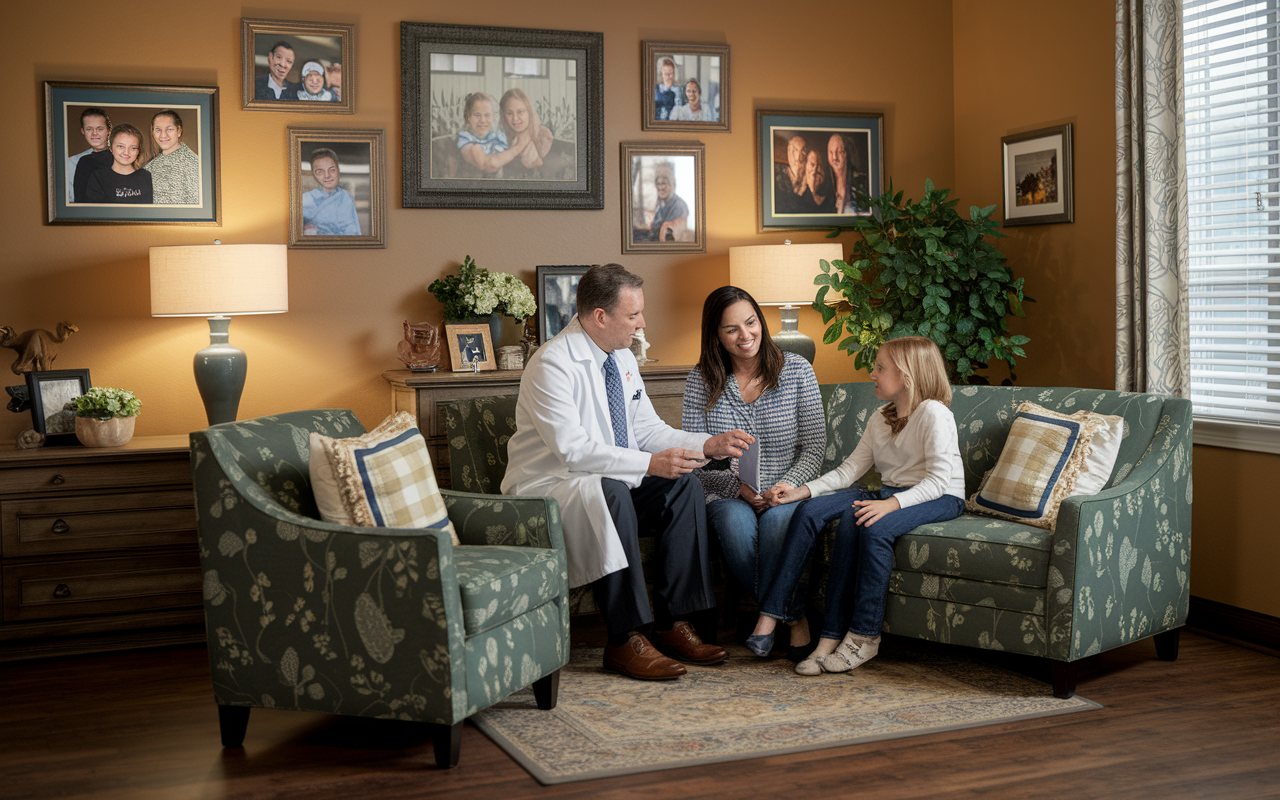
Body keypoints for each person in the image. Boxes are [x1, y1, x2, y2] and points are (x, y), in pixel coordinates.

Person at [502, 264, 753, 681]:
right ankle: (624, 639)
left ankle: (673, 624)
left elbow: (645, 428)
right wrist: (649, 463)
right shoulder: (552, 364)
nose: (642, 324)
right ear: (601, 316)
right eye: (633, 315)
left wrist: (706, 444)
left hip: (607, 478)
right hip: (551, 487)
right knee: (611, 493)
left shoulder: (620, 358)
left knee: (683, 485)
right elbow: (572, 450)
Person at [744, 336, 966, 676]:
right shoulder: (881, 417)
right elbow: (849, 470)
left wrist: (890, 505)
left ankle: (864, 636)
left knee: (873, 527)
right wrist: (801, 491)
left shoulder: (933, 413)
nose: (872, 373)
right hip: (893, 491)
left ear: (906, 375)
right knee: (814, 512)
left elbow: (937, 481)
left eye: (880, 367)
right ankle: (820, 637)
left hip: (941, 497)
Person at [682, 287, 825, 659]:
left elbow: (814, 449)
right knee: (735, 527)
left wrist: (786, 486)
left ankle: (768, 619)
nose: (745, 336)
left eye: (751, 323)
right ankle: (793, 617)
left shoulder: (796, 370)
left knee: (778, 525)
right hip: (725, 492)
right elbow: (697, 456)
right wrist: (740, 488)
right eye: (731, 329)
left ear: (761, 321)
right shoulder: (701, 380)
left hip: (786, 491)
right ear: (715, 335)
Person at [456, 92, 524, 174]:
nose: (483, 120)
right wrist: (517, 149)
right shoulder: (466, 140)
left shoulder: (497, 136)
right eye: (477, 115)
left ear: (494, 117)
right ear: (468, 118)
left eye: (487, 115)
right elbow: (489, 165)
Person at [84, 124, 152, 204]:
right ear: (111, 148)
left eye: (133, 148)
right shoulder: (98, 177)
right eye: (120, 146)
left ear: (138, 151)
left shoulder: (146, 176)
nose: (126, 152)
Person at [144, 110, 199, 205]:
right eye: (158, 129)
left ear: (179, 131)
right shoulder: (149, 168)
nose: (163, 135)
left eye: (169, 129)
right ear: (153, 132)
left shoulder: (194, 164)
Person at [301, 148, 361, 235]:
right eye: (320, 171)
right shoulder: (306, 199)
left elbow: (354, 231)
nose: (327, 176)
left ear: (338, 171)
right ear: (314, 175)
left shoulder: (345, 197)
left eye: (332, 170)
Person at [499, 88, 554, 169]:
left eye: (520, 112)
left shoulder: (546, 139)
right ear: (504, 116)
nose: (515, 119)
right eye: (509, 113)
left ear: (529, 112)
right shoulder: (500, 144)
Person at [67, 108, 110, 203]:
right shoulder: (71, 162)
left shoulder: (122, 158)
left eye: (100, 129)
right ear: (83, 131)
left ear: (108, 131)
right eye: (89, 129)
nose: (94, 133)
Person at [641, 164, 688, 242]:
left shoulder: (679, 206)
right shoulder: (661, 204)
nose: (661, 188)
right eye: (658, 184)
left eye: (664, 183)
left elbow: (669, 236)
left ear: (672, 184)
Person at [773, 136, 808, 213]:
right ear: (789, 152)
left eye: (803, 150)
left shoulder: (809, 177)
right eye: (795, 150)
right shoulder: (777, 174)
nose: (799, 157)